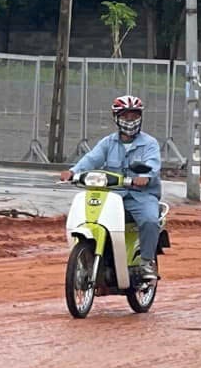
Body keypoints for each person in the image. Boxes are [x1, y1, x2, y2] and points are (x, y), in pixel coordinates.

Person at [62, 95, 165, 283]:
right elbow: (92, 158)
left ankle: (146, 263)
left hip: (140, 196)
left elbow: (153, 164)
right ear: (117, 118)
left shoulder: (149, 143)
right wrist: (73, 171)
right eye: (126, 117)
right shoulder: (108, 142)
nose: (130, 121)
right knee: (90, 217)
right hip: (113, 196)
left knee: (150, 220)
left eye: (134, 116)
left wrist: (145, 176)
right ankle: (89, 259)